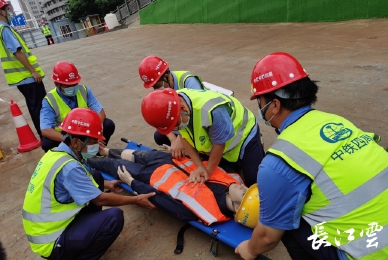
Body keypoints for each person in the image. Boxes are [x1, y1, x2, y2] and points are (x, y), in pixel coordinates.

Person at [235, 52, 388, 260]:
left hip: (373, 253)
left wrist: (250, 249)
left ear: (274, 105)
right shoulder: (337, 122)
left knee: (285, 219)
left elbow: (267, 238)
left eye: (260, 101)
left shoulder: (277, 162)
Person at [22, 108, 156, 260]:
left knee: (96, 177)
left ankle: (89, 229)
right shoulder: (69, 167)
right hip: (51, 240)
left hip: (49, 226)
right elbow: (100, 199)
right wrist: (136, 200)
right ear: (75, 142)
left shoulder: (56, 154)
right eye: (93, 142)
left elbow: (76, 181)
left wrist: (108, 184)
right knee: (114, 217)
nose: (97, 147)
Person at [86, 145, 250, 226]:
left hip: (150, 175)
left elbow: (162, 201)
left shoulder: (205, 211)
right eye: (247, 189)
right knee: (134, 154)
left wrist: (132, 183)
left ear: (237, 208)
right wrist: (182, 153)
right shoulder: (235, 179)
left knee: (115, 166)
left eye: (244, 194)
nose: (242, 187)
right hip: (172, 160)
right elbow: (208, 160)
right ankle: (105, 150)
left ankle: (83, 160)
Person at [141, 88, 264, 187]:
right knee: (227, 172)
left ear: (183, 109)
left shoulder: (211, 111)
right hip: (219, 140)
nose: (176, 130)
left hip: (243, 134)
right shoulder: (173, 105)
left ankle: (258, 145)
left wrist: (207, 171)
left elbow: (219, 145)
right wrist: (199, 166)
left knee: (253, 180)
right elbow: (184, 137)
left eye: (176, 126)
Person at [0, 0, 46, 138]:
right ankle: (47, 137)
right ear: (1, 11)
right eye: (8, 10)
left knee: (35, 107)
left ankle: (45, 136)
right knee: (40, 108)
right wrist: (33, 71)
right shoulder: (4, 29)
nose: (10, 13)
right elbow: (18, 52)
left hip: (21, 77)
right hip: (27, 76)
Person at [40, 61, 115, 152]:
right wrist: (73, 141)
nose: (73, 87)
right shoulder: (50, 100)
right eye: (68, 85)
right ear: (56, 84)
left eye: (75, 84)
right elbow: (46, 130)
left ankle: (95, 153)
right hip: (66, 134)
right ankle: (69, 155)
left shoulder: (84, 91)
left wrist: (95, 136)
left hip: (85, 129)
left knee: (108, 124)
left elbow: (100, 112)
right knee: (47, 143)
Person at [139, 56, 205, 157]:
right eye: (153, 87)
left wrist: (181, 139)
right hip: (179, 123)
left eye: (157, 86)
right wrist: (174, 141)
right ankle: (181, 150)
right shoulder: (162, 89)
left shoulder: (189, 82)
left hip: (195, 122)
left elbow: (198, 114)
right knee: (159, 136)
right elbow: (161, 119)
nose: (156, 90)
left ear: (166, 76)